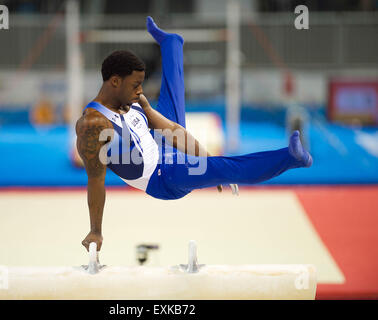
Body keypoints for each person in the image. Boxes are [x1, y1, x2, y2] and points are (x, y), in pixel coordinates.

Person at [75, 17, 312, 252]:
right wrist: (96, 230)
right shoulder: (92, 125)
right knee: (226, 168)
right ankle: (290, 157)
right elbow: (96, 181)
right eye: (135, 85)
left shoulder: (133, 100)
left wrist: (206, 159)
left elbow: (174, 130)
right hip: (162, 178)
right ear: (115, 81)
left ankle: (171, 44)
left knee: (171, 103)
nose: (140, 91)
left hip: (163, 149)